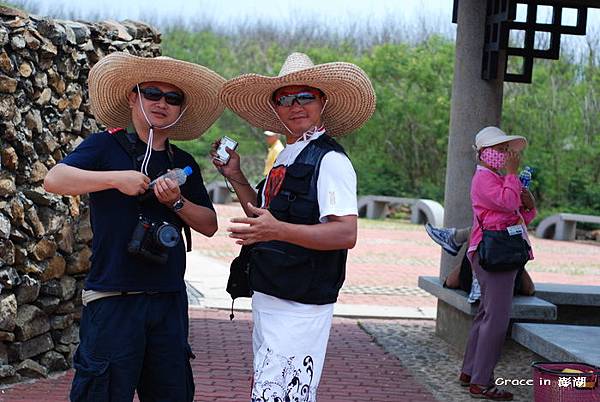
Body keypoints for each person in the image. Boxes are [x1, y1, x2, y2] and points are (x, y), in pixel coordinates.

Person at [43, 52, 225, 401]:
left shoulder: (184, 164)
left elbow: (210, 225)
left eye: (173, 98)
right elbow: (55, 179)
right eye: (151, 93)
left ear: (181, 109)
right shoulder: (104, 146)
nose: (161, 103)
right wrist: (116, 180)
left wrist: (176, 201)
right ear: (133, 96)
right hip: (113, 298)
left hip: (168, 301)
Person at [213, 52, 376, 401]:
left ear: (323, 101)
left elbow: (346, 233)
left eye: (305, 96)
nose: (295, 106)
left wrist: (277, 231)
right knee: (277, 391)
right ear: (275, 108)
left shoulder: (331, 160)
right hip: (270, 292)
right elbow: (263, 216)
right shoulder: (288, 155)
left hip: (301, 304)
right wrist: (236, 175)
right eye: (284, 98)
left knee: (278, 393)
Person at [459, 126, 536, 400]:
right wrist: (514, 176)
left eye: (506, 150)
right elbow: (506, 202)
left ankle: (470, 371)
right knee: (497, 319)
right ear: (483, 153)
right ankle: (482, 382)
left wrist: (528, 203)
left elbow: (517, 216)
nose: (505, 155)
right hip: (494, 255)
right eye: (500, 150)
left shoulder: (497, 178)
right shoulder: (484, 179)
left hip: (499, 251)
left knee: (486, 314)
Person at [425, 223, 535, 296]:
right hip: (505, 286)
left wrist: (469, 258)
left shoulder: (473, 269)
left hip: (480, 285)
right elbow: (529, 289)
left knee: (478, 230)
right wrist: (517, 260)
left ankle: (455, 238)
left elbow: (450, 282)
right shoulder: (513, 263)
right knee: (481, 229)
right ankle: (455, 238)